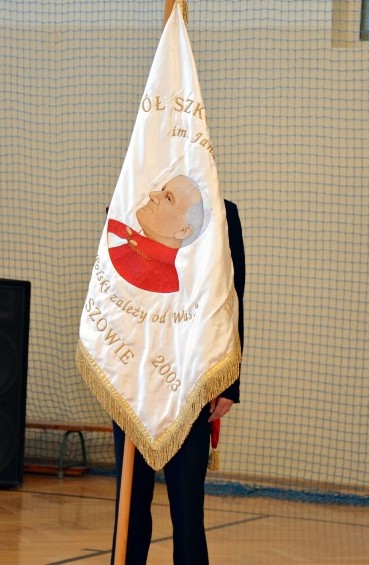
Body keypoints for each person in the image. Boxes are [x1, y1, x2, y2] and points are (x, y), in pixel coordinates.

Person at [110, 199, 245, 565]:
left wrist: (227, 381)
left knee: (187, 507)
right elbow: (108, 294)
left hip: (189, 379)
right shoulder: (126, 204)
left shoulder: (221, 212)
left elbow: (232, 297)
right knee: (130, 507)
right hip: (133, 380)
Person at [107, 175, 205, 293]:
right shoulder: (117, 239)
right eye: (162, 190)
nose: (152, 194)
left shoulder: (166, 285)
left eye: (168, 198)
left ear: (183, 231)